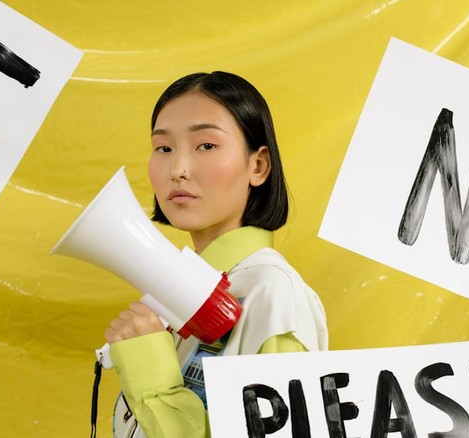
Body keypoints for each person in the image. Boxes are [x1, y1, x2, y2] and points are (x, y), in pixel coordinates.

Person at [105, 71, 328, 438]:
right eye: (164, 148)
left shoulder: (275, 295)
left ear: (258, 166)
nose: (177, 170)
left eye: (206, 145)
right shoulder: (180, 294)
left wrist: (153, 381)